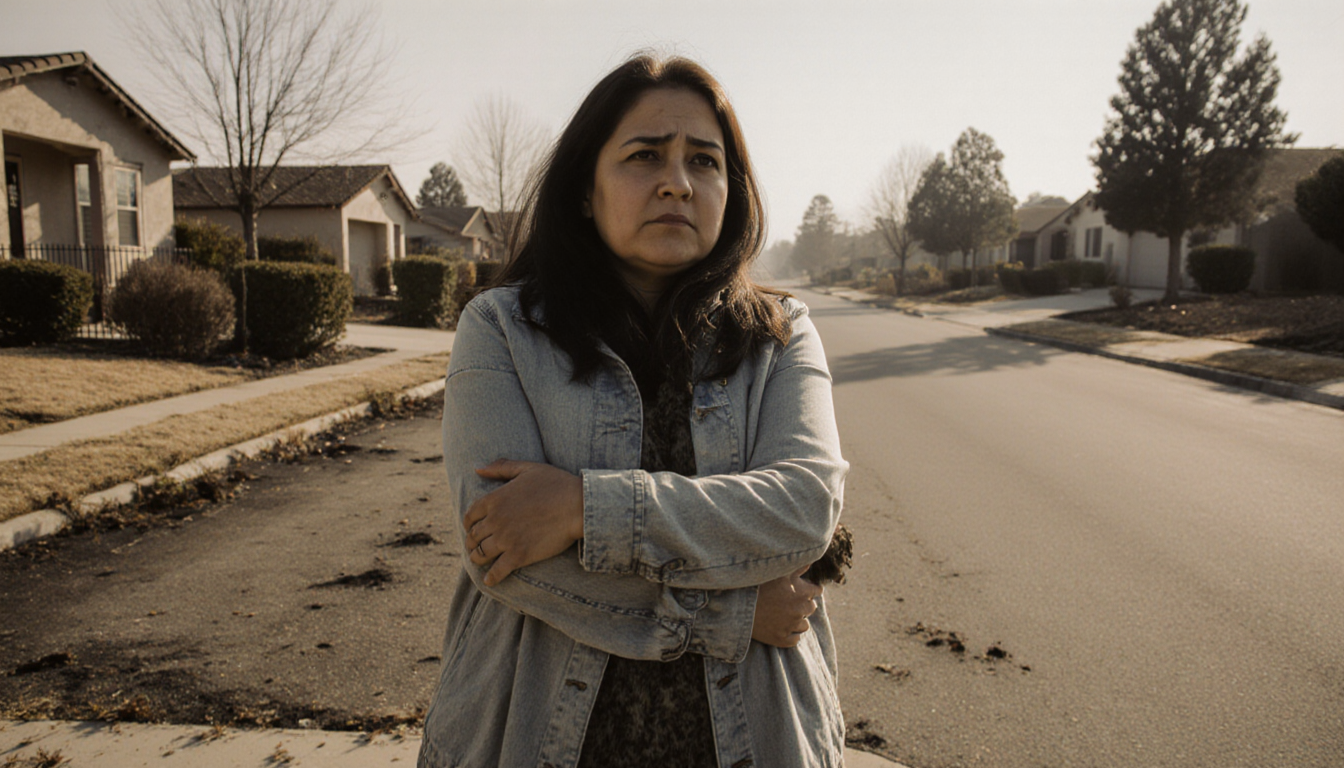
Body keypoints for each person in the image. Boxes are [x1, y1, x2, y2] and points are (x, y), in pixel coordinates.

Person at [418, 54, 850, 768]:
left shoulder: (781, 335)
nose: (677, 182)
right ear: (586, 189)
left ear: (729, 192)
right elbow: (504, 552)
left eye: (704, 162)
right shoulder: (500, 330)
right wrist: (731, 614)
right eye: (644, 155)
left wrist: (587, 509)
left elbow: (803, 509)